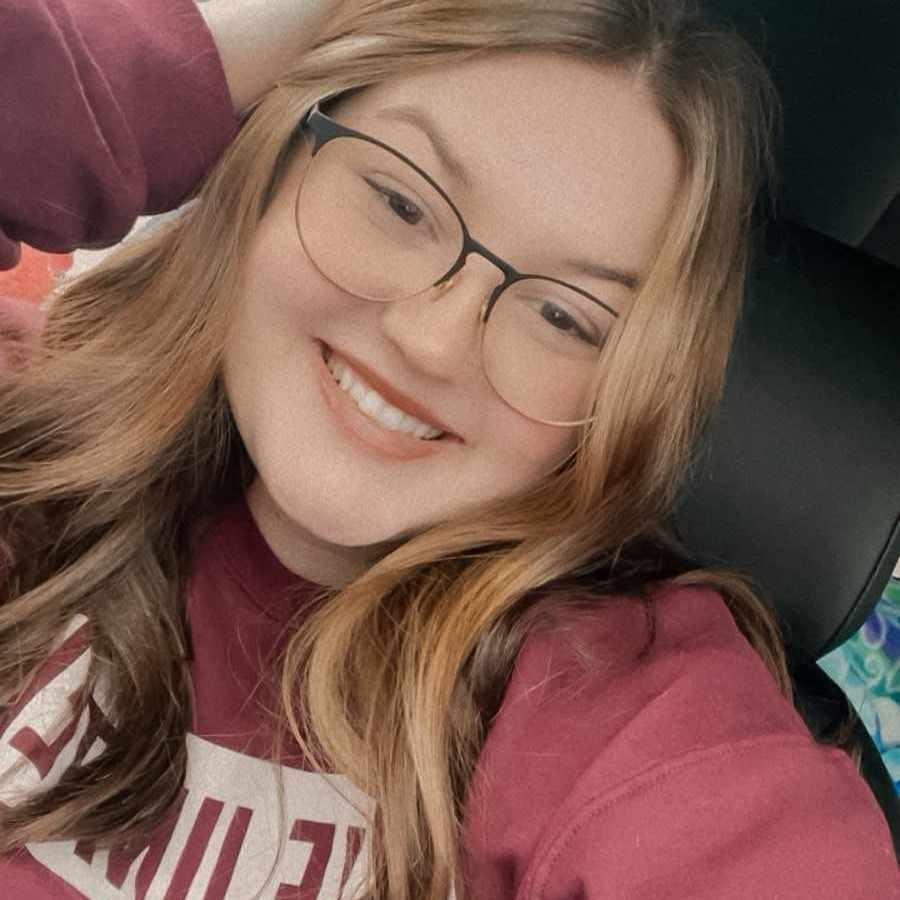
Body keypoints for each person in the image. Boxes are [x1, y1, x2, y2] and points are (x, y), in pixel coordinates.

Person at [0, 0, 896, 897]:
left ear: (627, 393)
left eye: (564, 317)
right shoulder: (36, 422)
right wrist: (191, 63)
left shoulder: (631, 707)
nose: (432, 341)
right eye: (399, 201)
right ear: (272, 158)